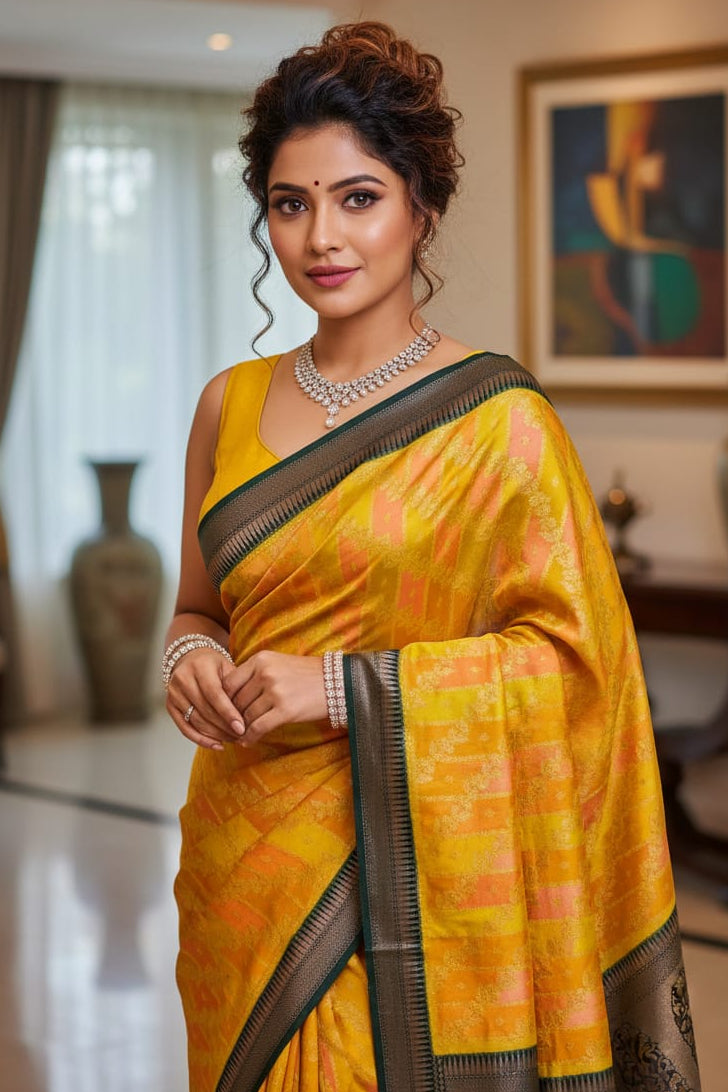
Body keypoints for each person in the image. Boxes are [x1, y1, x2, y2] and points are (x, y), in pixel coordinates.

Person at [164, 22, 700, 1092]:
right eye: (289, 201)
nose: (322, 235)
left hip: (418, 893)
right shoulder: (226, 403)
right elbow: (197, 607)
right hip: (243, 871)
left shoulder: (497, 425)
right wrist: (185, 658)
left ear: (423, 209)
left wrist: (334, 688)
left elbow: (573, 668)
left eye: (357, 197)